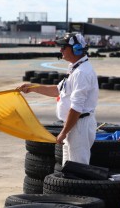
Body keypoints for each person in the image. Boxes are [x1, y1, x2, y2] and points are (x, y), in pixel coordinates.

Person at [17, 33, 99, 165]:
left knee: (78, 170)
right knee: (69, 169)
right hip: (73, 125)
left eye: (63, 47)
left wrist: (64, 132)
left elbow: (76, 108)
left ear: (75, 49)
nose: (60, 50)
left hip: (79, 126)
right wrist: (33, 87)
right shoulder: (75, 68)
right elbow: (58, 90)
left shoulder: (81, 73)